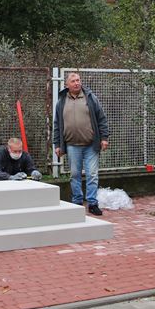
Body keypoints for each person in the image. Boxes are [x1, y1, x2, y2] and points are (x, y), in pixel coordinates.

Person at [52, 72, 109, 215]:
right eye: (73, 81)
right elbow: (57, 124)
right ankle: (77, 202)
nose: (77, 83)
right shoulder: (61, 101)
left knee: (92, 175)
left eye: (78, 80)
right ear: (67, 84)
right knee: (75, 175)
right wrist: (57, 144)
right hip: (72, 145)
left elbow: (101, 118)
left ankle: (92, 203)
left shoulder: (90, 98)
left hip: (91, 144)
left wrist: (104, 138)